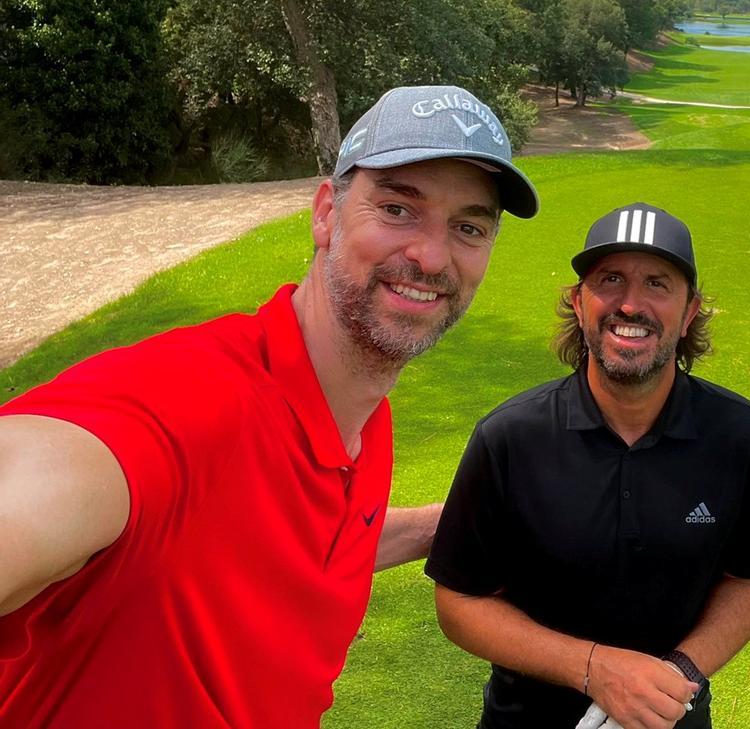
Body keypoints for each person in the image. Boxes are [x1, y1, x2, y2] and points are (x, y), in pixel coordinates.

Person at [0, 84, 538, 726]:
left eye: (468, 227)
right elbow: (49, 481)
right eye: (397, 208)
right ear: (324, 214)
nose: (430, 255)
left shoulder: (363, 419)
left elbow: (310, 544)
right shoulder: (185, 402)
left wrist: (437, 525)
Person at [425, 202, 750, 729]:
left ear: (690, 312)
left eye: (658, 284)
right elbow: (459, 600)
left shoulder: (746, 439)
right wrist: (597, 671)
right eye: (610, 279)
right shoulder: (510, 437)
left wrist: (676, 672)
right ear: (578, 302)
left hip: (671, 716)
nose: (630, 304)